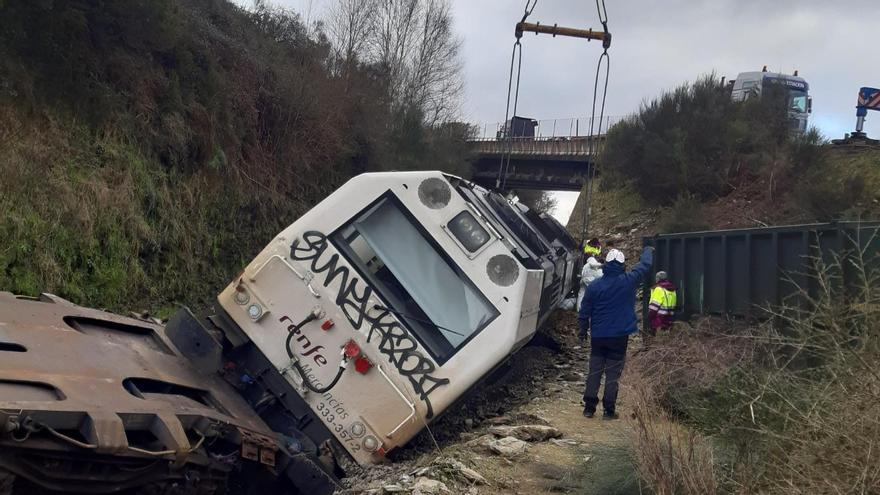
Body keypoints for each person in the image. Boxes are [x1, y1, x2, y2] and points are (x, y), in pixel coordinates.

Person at [578, 246, 653, 419]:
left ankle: (589, 408)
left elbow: (584, 311)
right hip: (619, 336)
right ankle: (608, 410)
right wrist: (648, 250)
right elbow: (645, 265)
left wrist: (582, 330)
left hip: (598, 336)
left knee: (595, 371)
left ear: (605, 264)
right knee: (613, 373)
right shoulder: (629, 280)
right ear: (622, 265)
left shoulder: (594, 287)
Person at [647, 271, 678, 335]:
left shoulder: (659, 289)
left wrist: (650, 316)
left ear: (658, 278)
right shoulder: (672, 289)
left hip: (658, 319)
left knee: (658, 339)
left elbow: (654, 307)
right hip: (669, 318)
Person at [577, 238, 604, 311]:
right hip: (589, 278)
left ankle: (579, 308)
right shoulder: (592, 259)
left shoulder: (588, 247)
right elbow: (593, 263)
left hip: (585, 275)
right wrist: (601, 265)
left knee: (581, 292)